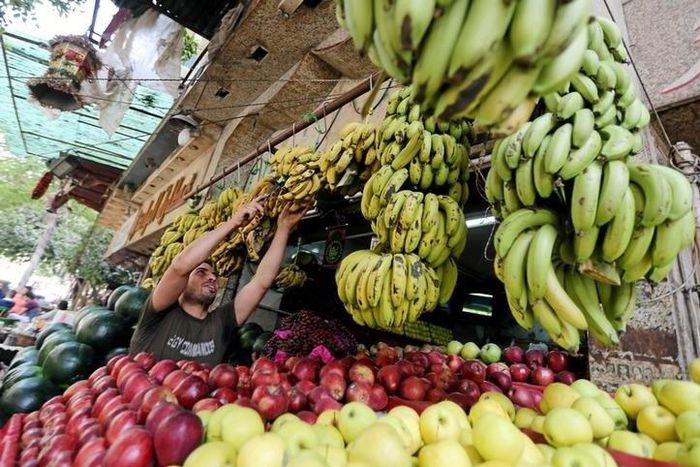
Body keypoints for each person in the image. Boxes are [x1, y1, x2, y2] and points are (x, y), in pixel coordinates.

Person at [129, 198, 306, 365]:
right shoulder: (159, 313)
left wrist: (284, 227)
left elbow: (261, 282)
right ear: (181, 285)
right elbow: (181, 265)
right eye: (201, 272)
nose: (212, 277)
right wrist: (234, 222)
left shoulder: (221, 322)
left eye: (214, 275)